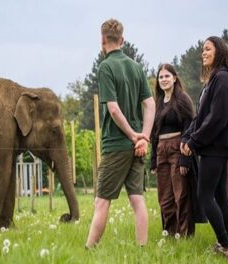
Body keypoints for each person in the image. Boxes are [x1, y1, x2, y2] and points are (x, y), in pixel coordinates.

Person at [85, 18, 155, 248]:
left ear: (103, 40)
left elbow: (113, 109)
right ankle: (142, 249)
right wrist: (143, 136)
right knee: (137, 200)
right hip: (136, 148)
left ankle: (89, 250)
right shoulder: (136, 67)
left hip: (116, 144)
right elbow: (151, 104)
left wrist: (133, 136)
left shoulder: (105, 66)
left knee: (101, 201)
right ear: (122, 40)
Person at [181, 36, 228, 258]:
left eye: (208, 49)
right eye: (202, 50)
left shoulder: (223, 78)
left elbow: (217, 118)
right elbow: (201, 117)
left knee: (205, 195)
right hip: (215, 145)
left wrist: (194, 141)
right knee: (221, 195)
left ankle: (225, 245)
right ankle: (226, 242)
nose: (203, 53)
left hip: (215, 146)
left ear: (219, 52)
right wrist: (189, 137)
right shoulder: (214, 79)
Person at [150, 63, 198, 237]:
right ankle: (170, 233)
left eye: (167, 76)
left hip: (178, 148)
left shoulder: (182, 99)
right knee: (165, 197)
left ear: (175, 78)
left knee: (181, 194)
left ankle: (184, 234)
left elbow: (190, 128)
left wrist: (186, 157)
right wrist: (153, 158)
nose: (163, 80)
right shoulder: (157, 103)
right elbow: (154, 132)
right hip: (161, 149)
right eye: (161, 77)